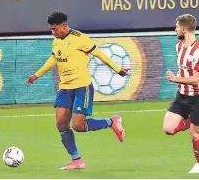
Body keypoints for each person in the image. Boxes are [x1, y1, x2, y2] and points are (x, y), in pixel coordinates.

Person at [26, 10, 129, 170]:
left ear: (64, 25)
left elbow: (100, 54)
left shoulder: (80, 39)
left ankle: (111, 122)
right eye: (51, 29)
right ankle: (77, 160)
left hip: (82, 87)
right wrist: (37, 75)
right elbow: (54, 57)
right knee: (61, 124)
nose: (52, 32)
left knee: (78, 126)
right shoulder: (56, 40)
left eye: (55, 29)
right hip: (65, 88)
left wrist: (117, 69)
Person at [163, 14, 199, 173]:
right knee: (168, 129)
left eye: (176, 27)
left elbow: (196, 80)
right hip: (182, 96)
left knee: (195, 135)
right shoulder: (179, 46)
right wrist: (178, 81)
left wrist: (176, 79)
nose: (174, 30)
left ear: (183, 29)